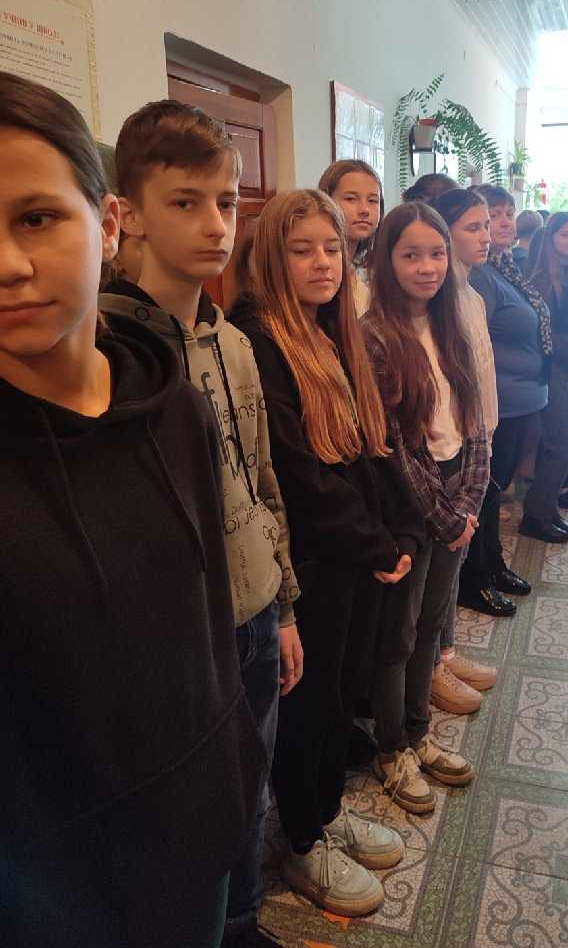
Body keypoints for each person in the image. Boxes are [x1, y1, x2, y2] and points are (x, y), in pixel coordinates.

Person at [0, 73, 266, 948]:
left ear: (107, 223)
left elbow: (206, 623)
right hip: (56, 897)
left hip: (197, 838)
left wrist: (232, 769)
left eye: (36, 217)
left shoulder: (174, 407)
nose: (7, 265)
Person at [98, 100, 302, 948]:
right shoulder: (102, 352)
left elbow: (261, 482)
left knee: (251, 786)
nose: (216, 225)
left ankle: (244, 922)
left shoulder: (233, 343)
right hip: (179, 637)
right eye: (186, 202)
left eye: (224, 202)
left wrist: (284, 606)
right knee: (182, 809)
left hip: (252, 613)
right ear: (129, 213)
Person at [229, 189, 423, 917]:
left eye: (332, 248)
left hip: (351, 557)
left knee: (339, 696)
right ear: (270, 258)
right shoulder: (258, 338)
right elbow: (298, 474)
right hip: (310, 561)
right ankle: (304, 839)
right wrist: (376, 541)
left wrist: (400, 530)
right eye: (301, 249)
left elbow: (369, 447)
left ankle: (329, 809)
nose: (322, 263)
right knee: (308, 709)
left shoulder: (328, 331)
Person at [362, 201, 486, 812]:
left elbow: (474, 420)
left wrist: (470, 500)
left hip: (457, 492)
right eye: (411, 255)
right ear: (387, 262)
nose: (428, 267)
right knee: (400, 633)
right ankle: (391, 746)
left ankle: (417, 732)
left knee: (433, 625)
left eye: (436, 253)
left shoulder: (451, 321)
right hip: (410, 504)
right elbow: (392, 444)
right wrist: (444, 516)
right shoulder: (374, 336)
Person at [428, 187, 500, 714]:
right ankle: (432, 665)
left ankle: (447, 653)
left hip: (477, 440)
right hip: (446, 446)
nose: (486, 235)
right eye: (473, 227)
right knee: (439, 565)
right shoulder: (439, 300)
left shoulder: (471, 295)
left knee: (455, 560)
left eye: (487, 225)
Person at [464, 183, 550, 608]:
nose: (500, 224)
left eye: (506, 214)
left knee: (495, 491)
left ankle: (493, 563)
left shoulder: (503, 267)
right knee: (485, 492)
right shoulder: (479, 274)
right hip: (499, 401)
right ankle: (474, 576)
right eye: (489, 217)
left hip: (518, 401)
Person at [521, 213, 568, 541]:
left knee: (561, 443)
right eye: (565, 234)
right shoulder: (542, 279)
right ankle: (534, 516)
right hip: (550, 368)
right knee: (563, 445)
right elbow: (548, 335)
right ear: (550, 238)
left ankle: (548, 509)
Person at [318, 159, 382, 316]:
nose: (365, 210)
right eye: (351, 199)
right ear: (326, 201)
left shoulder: (366, 273)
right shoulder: (321, 271)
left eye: (373, 200)